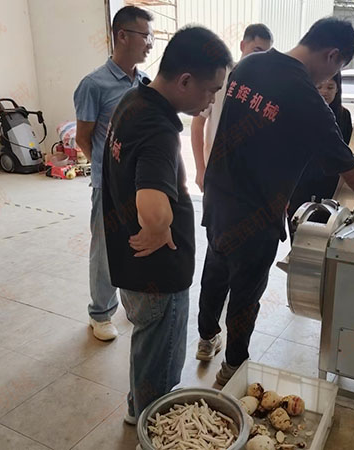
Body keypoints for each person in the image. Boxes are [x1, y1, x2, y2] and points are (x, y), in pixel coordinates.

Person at [197, 17, 354, 385]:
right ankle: (233, 367)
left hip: (218, 199)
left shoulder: (249, 66)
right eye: (338, 66)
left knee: (215, 270)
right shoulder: (307, 98)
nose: (330, 78)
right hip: (256, 215)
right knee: (246, 294)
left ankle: (206, 338)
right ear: (333, 55)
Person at [102, 26, 232, 423]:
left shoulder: (132, 99)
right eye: (211, 90)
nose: (211, 101)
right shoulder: (159, 129)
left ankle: (135, 409)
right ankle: (149, 424)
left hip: (130, 265)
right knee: (161, 365)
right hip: (157, 275)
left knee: (147, 347)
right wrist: (160, 227)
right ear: (185, 80)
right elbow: (153, 209)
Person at [74, 6, 153, 341]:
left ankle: (130, 303)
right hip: (108, 185)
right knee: (106, 250)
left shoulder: (145, 82)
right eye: (145, 36)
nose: (150, 43)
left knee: (137, 244)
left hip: (141, 184)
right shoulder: (94, 85)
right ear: (122, 35)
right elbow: (83, 137)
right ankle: (100, 313)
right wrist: (106, 171)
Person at [191, 24, 273, 193]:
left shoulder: (265, 86)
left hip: (249, 176)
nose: (260, 59)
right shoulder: (219, 76)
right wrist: (200, 169)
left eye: (266, 54)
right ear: (242, 45)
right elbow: (197, 124)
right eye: (256, 51)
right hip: (217, 172)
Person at [287, 72, 353, 237]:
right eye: (319, 87)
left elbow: (347, 150)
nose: (325, 92)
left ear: (338, 89)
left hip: (329, 181)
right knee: (299, 226)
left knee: (325, 228)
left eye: (330, 87)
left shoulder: (343, 115)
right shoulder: (300, 112)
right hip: (301, 182)